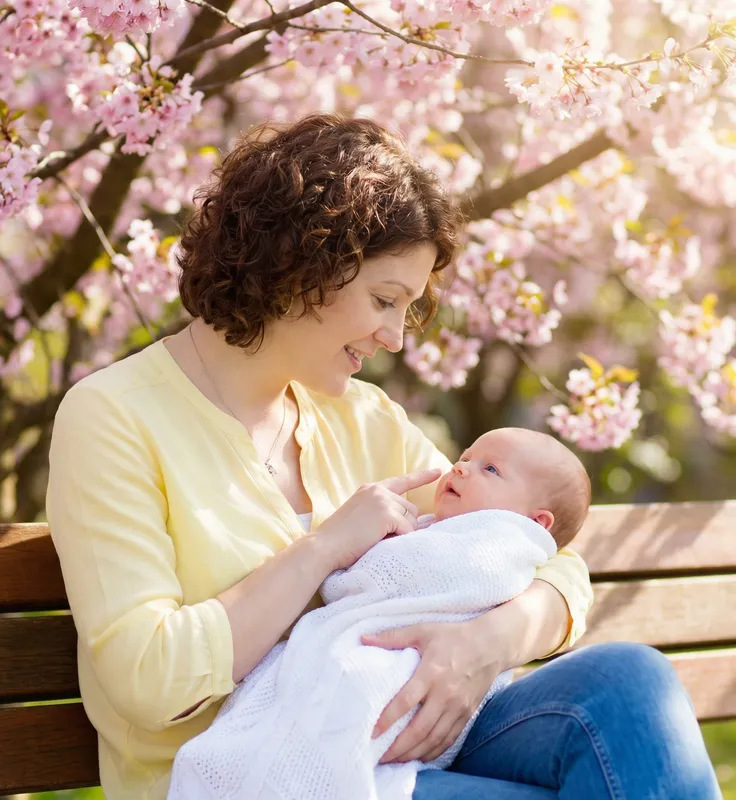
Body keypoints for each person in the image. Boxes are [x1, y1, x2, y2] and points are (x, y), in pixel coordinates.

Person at [46, 113, 720, 800]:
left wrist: (483, 644)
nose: (396, 338)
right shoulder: (116, 416)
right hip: (248, 777)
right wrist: (323, 547)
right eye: (384, 299)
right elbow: (148, 679)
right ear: (298, 264)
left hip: (390, 745)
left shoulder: (363, 419)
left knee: (629, 684)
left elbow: (547, 556)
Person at [166, 427, 592, 800]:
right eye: (464, 458)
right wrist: (330, 544)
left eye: (490, 470)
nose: (460, 469)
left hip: (423, 714)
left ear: (535, 522)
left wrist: (494, 637)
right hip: (401, 748)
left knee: (629, 674)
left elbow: (553, 565)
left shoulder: (497, 542)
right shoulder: (445, 524)